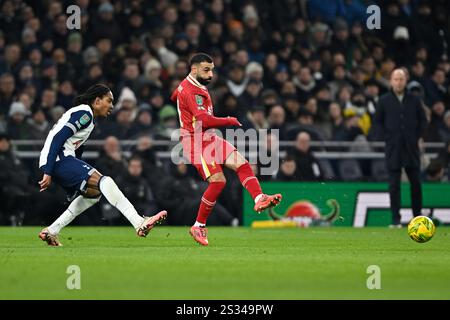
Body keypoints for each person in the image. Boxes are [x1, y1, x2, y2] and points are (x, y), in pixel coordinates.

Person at [170, 53, 282, 246]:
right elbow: (204, 119)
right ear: (194, 69)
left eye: (211, 69)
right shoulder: (192, 92)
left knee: (242, 164)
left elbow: (175, 94)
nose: (210, 74)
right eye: (206, 69)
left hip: (208, 137)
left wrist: (180, 99)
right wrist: (228, 120)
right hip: (195, 141)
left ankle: (259, 197)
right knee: (218, 182)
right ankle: (198, 225)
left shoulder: (189, 86)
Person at [37, 84, 167, 246]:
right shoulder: (84, 113)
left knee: (93, 193)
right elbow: (58, 139)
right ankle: (138, 222)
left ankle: (51, 231)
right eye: (109, 101)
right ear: (97, 101)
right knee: (105, 181)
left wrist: (74, 176)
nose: (112, 106)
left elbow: (76, 148)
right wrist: (48, 171)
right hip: (58, 159)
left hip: (60, 159)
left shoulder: (87, 118)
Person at [375, 69, 427, 227]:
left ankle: (417, 217)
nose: (398, 82)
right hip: (393, 147)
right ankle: (395, 219)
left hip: (411, 147)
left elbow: (423, 121)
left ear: (406, 81)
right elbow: (378, 123)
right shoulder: (384, 100)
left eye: (401, 79)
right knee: (394, 185)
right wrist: (388, 137)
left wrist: (416, 136)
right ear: (391, 81)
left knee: (416, 183)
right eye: (396, 79)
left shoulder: (414, 99)